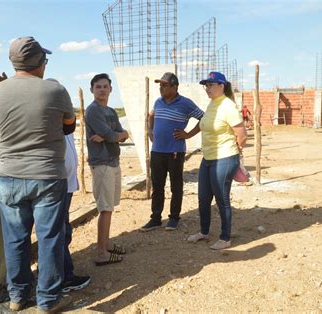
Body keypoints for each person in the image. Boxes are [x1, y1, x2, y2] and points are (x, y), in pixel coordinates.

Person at [0, 36, 75, 313]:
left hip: (8, 177)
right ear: (39, 63)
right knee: (50, 238)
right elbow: (69, 126)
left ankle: (17, 297)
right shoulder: (55, 91)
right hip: (47, 176)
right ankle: (48, 301)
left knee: (15, 239)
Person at [187, 71, 247, 250]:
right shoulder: (212, 104)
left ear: (222, 86)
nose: (207, 88)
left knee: (222, 199)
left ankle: (225, 237)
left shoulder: (228, 106)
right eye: (206, 85)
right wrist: (187, 134)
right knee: (203, 198)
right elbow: (203, 123)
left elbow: (242, 136)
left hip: (224, 158)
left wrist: (236, 154)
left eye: (211, 85)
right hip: (208, 158)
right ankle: (204, 232)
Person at [140, 72, 204, 231]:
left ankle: (174, 218)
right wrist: (150, 130)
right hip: (157, 152)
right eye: (160, 85)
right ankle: (155, 218)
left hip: (175, 152)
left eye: (164, 85)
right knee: (157, 186)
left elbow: (204, 118)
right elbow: (151, 115)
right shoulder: (158, 102)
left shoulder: (185, 103)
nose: (161, 88)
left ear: (174, 87)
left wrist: (188, 134)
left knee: (176, 186)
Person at [45, 78, 92, 294]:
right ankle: (63, 278)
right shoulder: (48, 119)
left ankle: (60, 274)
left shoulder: (65, 120)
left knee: (63, 229)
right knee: (59, 231)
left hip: (66, 183)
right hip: (57, 183)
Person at [84, 73, 129, 266]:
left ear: (110, 89)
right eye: (98, 87)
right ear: (92, 90)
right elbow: (114, 135)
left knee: (110, 207)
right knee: (105, 208)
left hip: (113, 161)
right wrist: (111, 135)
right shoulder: (93, 111)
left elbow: (123, 134)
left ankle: (107, 243)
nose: (102, 89)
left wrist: (111, 136)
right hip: (102, 162)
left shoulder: (110, 111)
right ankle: (101, 252)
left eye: (105, 86)